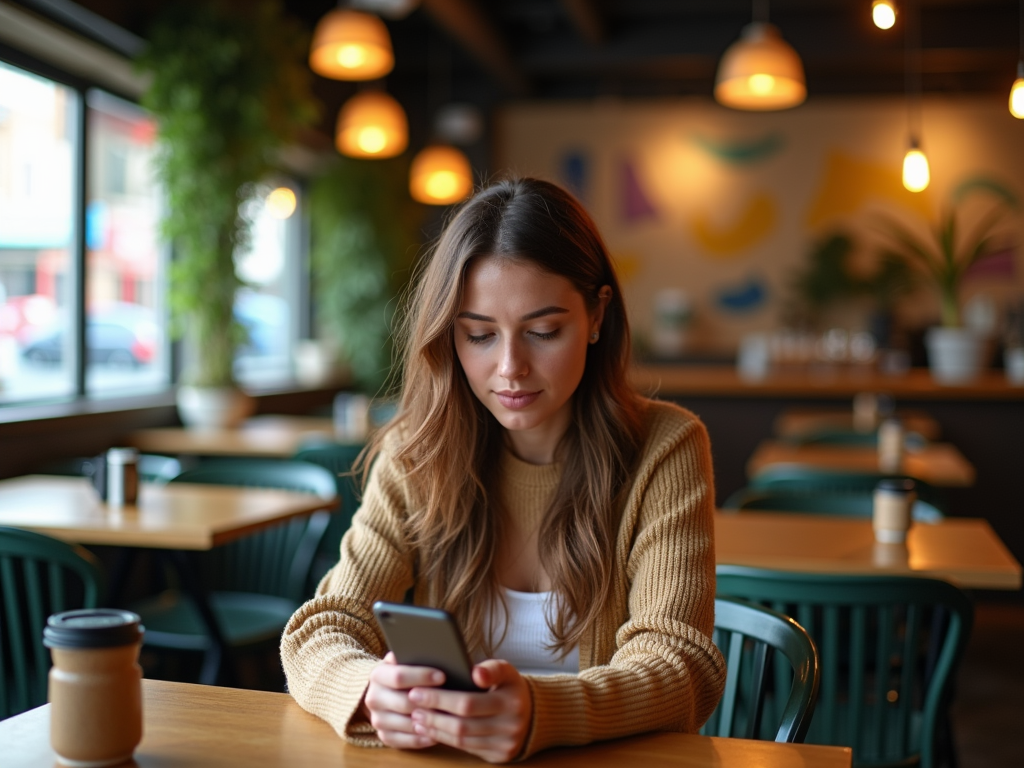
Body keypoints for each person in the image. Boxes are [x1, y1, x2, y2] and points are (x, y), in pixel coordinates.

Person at [280, 177, 726, 763]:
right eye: (480, 335)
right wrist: (367, 690)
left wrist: (542, 711)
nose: (510, 367)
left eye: (543, 331)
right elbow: (321, 629)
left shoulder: (665, 449)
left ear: (596, 314)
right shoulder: (418, 453)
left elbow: (681, 665)